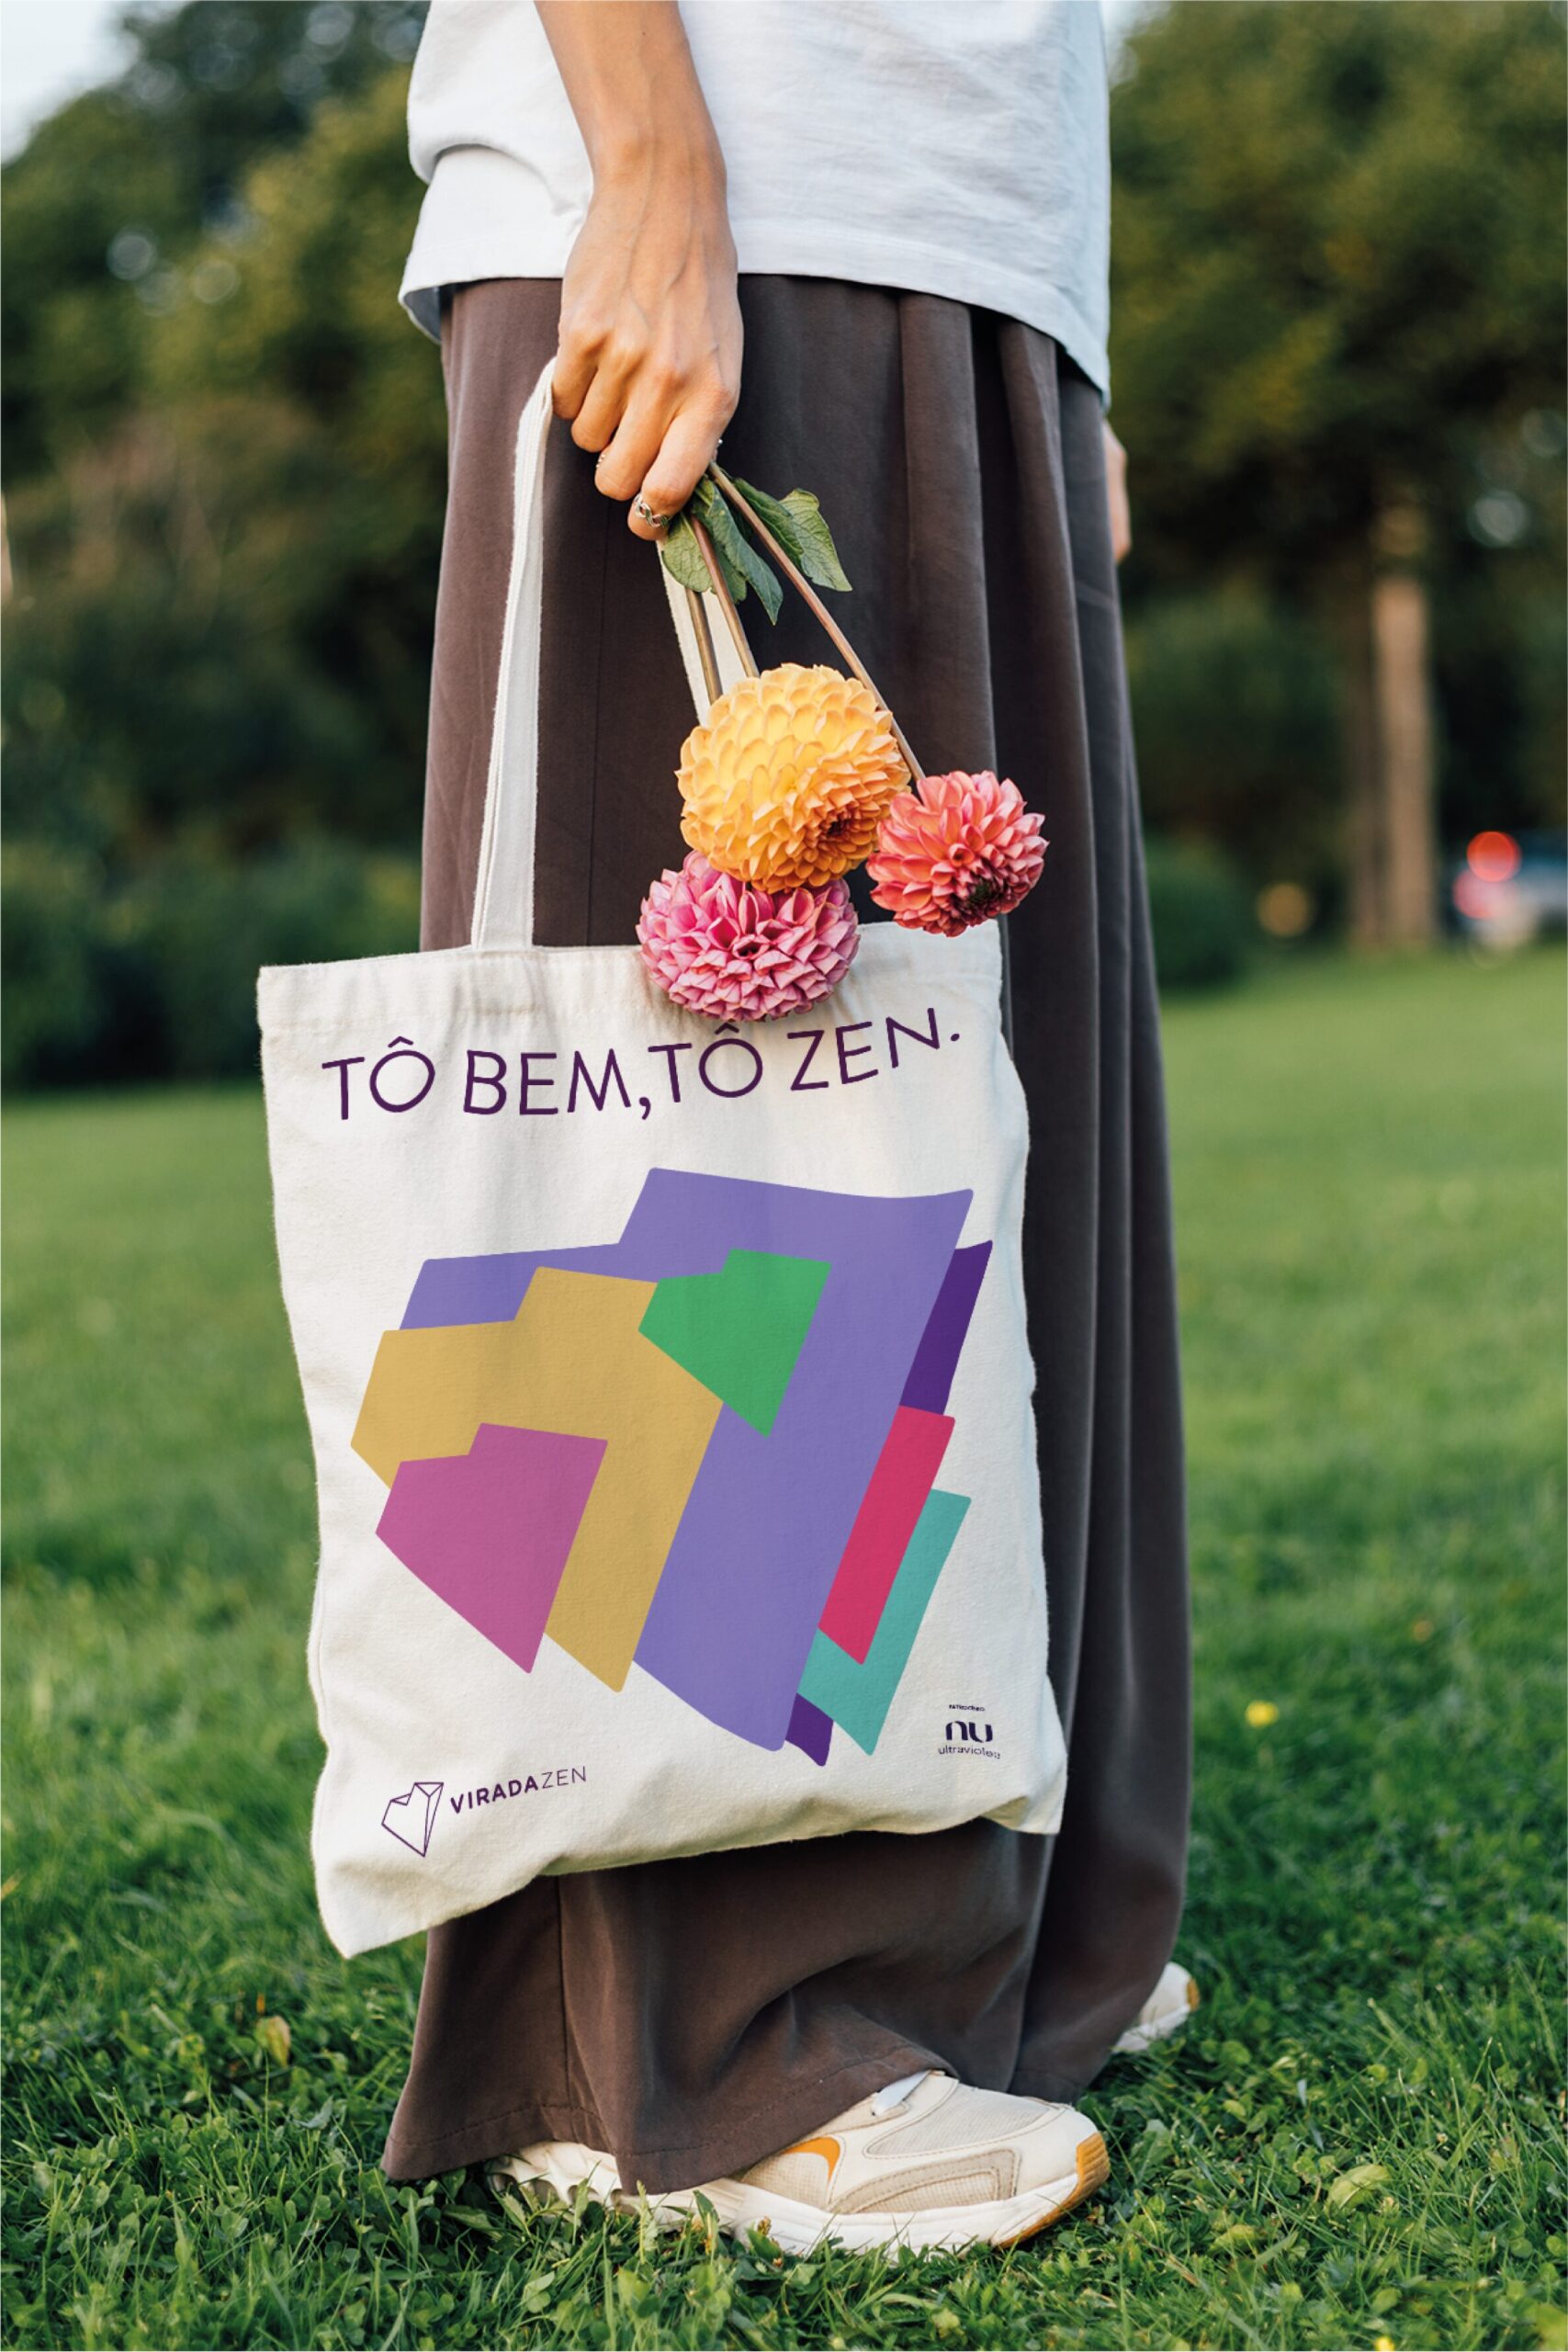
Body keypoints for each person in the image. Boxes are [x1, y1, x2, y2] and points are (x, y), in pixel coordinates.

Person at [382, 0, 1191, 2255]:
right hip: (721, 177)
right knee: (726, 1120)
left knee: (977, 1101)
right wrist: (650, 161)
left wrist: (1050, 325)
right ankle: (696, 2027)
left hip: (956, 235)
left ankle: (990, 1923)